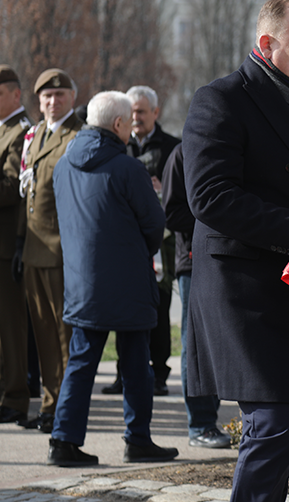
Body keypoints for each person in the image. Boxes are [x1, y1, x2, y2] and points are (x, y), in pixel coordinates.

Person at [182, 0, 289, 502]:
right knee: (275, 424)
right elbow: (210, 198)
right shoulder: (221, 98)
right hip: (245, 292)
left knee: (286, 426)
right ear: (267, 43)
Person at [47, 91, 177, 466]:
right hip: (129, 281)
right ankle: (138, 439)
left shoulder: (63, 165)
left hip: (81, 282)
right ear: (119, 125)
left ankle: (63, 441)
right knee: (136, 362)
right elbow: (154, 225)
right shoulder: (129, 169)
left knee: (81, 361)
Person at [14, 68, 83, 433]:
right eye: (46, 97)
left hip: (61, 251)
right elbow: (28, 193)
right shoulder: (34, 135)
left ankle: (64, 411)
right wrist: (20, 243)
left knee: (64, 336)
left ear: (72, 98)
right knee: (41, 335)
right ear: (38, 102)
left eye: (59, 96)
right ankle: (49, 404)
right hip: (33, 251)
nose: (52, 102)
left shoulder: (78, 136)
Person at [103, 86, 179, 397]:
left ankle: (159, 373)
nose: (136, 118)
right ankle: (124, 373)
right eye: (132, 112)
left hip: (162, 240)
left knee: (159, 307)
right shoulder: (118, 146)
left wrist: (162, 189)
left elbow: (184, 194)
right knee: (126, 306)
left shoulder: (173, 147)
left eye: (142, 112)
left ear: (156, 113)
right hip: (126, 239)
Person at [161, 143, 230, 448]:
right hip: (193, 261)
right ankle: (200, 424)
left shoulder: (233, 146)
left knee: (220, 341)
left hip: (228, 258)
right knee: (196, 344)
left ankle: (210, 419)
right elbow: (172, 213)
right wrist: (223, 214)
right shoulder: (183, 152)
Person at [0, 65, 32, 425]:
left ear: (15, 96)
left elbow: (13, 187)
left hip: (9, 243)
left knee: (11, 326)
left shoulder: (21, 132)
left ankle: (15, 395)